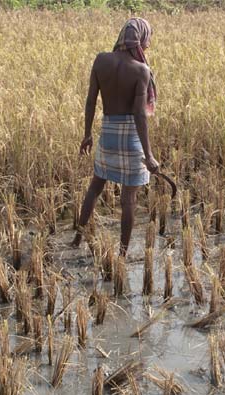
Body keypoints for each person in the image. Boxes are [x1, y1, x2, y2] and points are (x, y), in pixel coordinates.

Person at [71, 18, 159, 257]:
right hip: (131, 137)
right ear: (141, 39)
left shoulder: (101, 61)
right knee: (128, 198)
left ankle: (78, 237)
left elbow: (91, 101)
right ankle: (122, 254)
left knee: (95, 187)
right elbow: (140, 114)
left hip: (107, 133)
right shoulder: (141, 70)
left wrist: (87, 134)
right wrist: (148, 155)